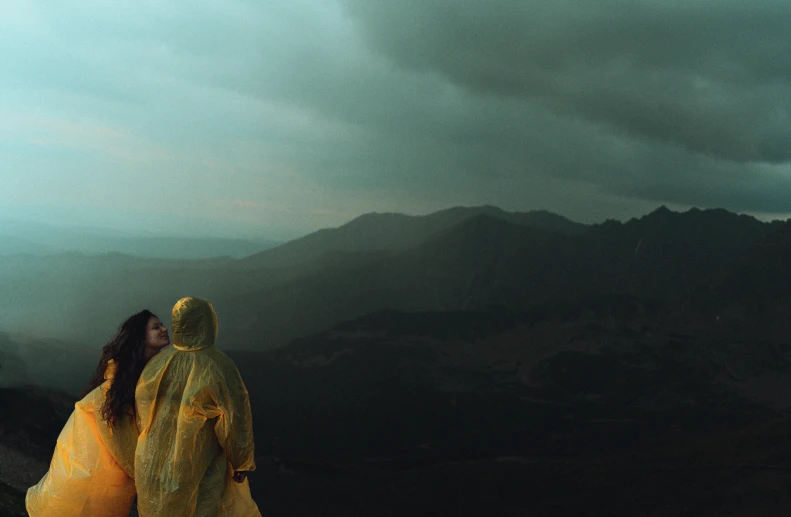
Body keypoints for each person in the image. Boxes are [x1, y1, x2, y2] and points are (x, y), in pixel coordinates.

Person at [26, 309, 170, 517]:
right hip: (90, 483)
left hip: (103, 483)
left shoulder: (135, 378)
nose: (165, 329)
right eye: (156, 327)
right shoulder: (116, 389)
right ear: (140, 336)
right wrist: (152, 478)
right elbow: (120, 440)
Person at [134, 296, 260, 517]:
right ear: (209, 323)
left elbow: (143, 413)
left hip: (151, 465)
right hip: (199, 463)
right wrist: (241, 462)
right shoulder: (219, 365)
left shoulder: (157, 364)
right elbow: (234, 419)